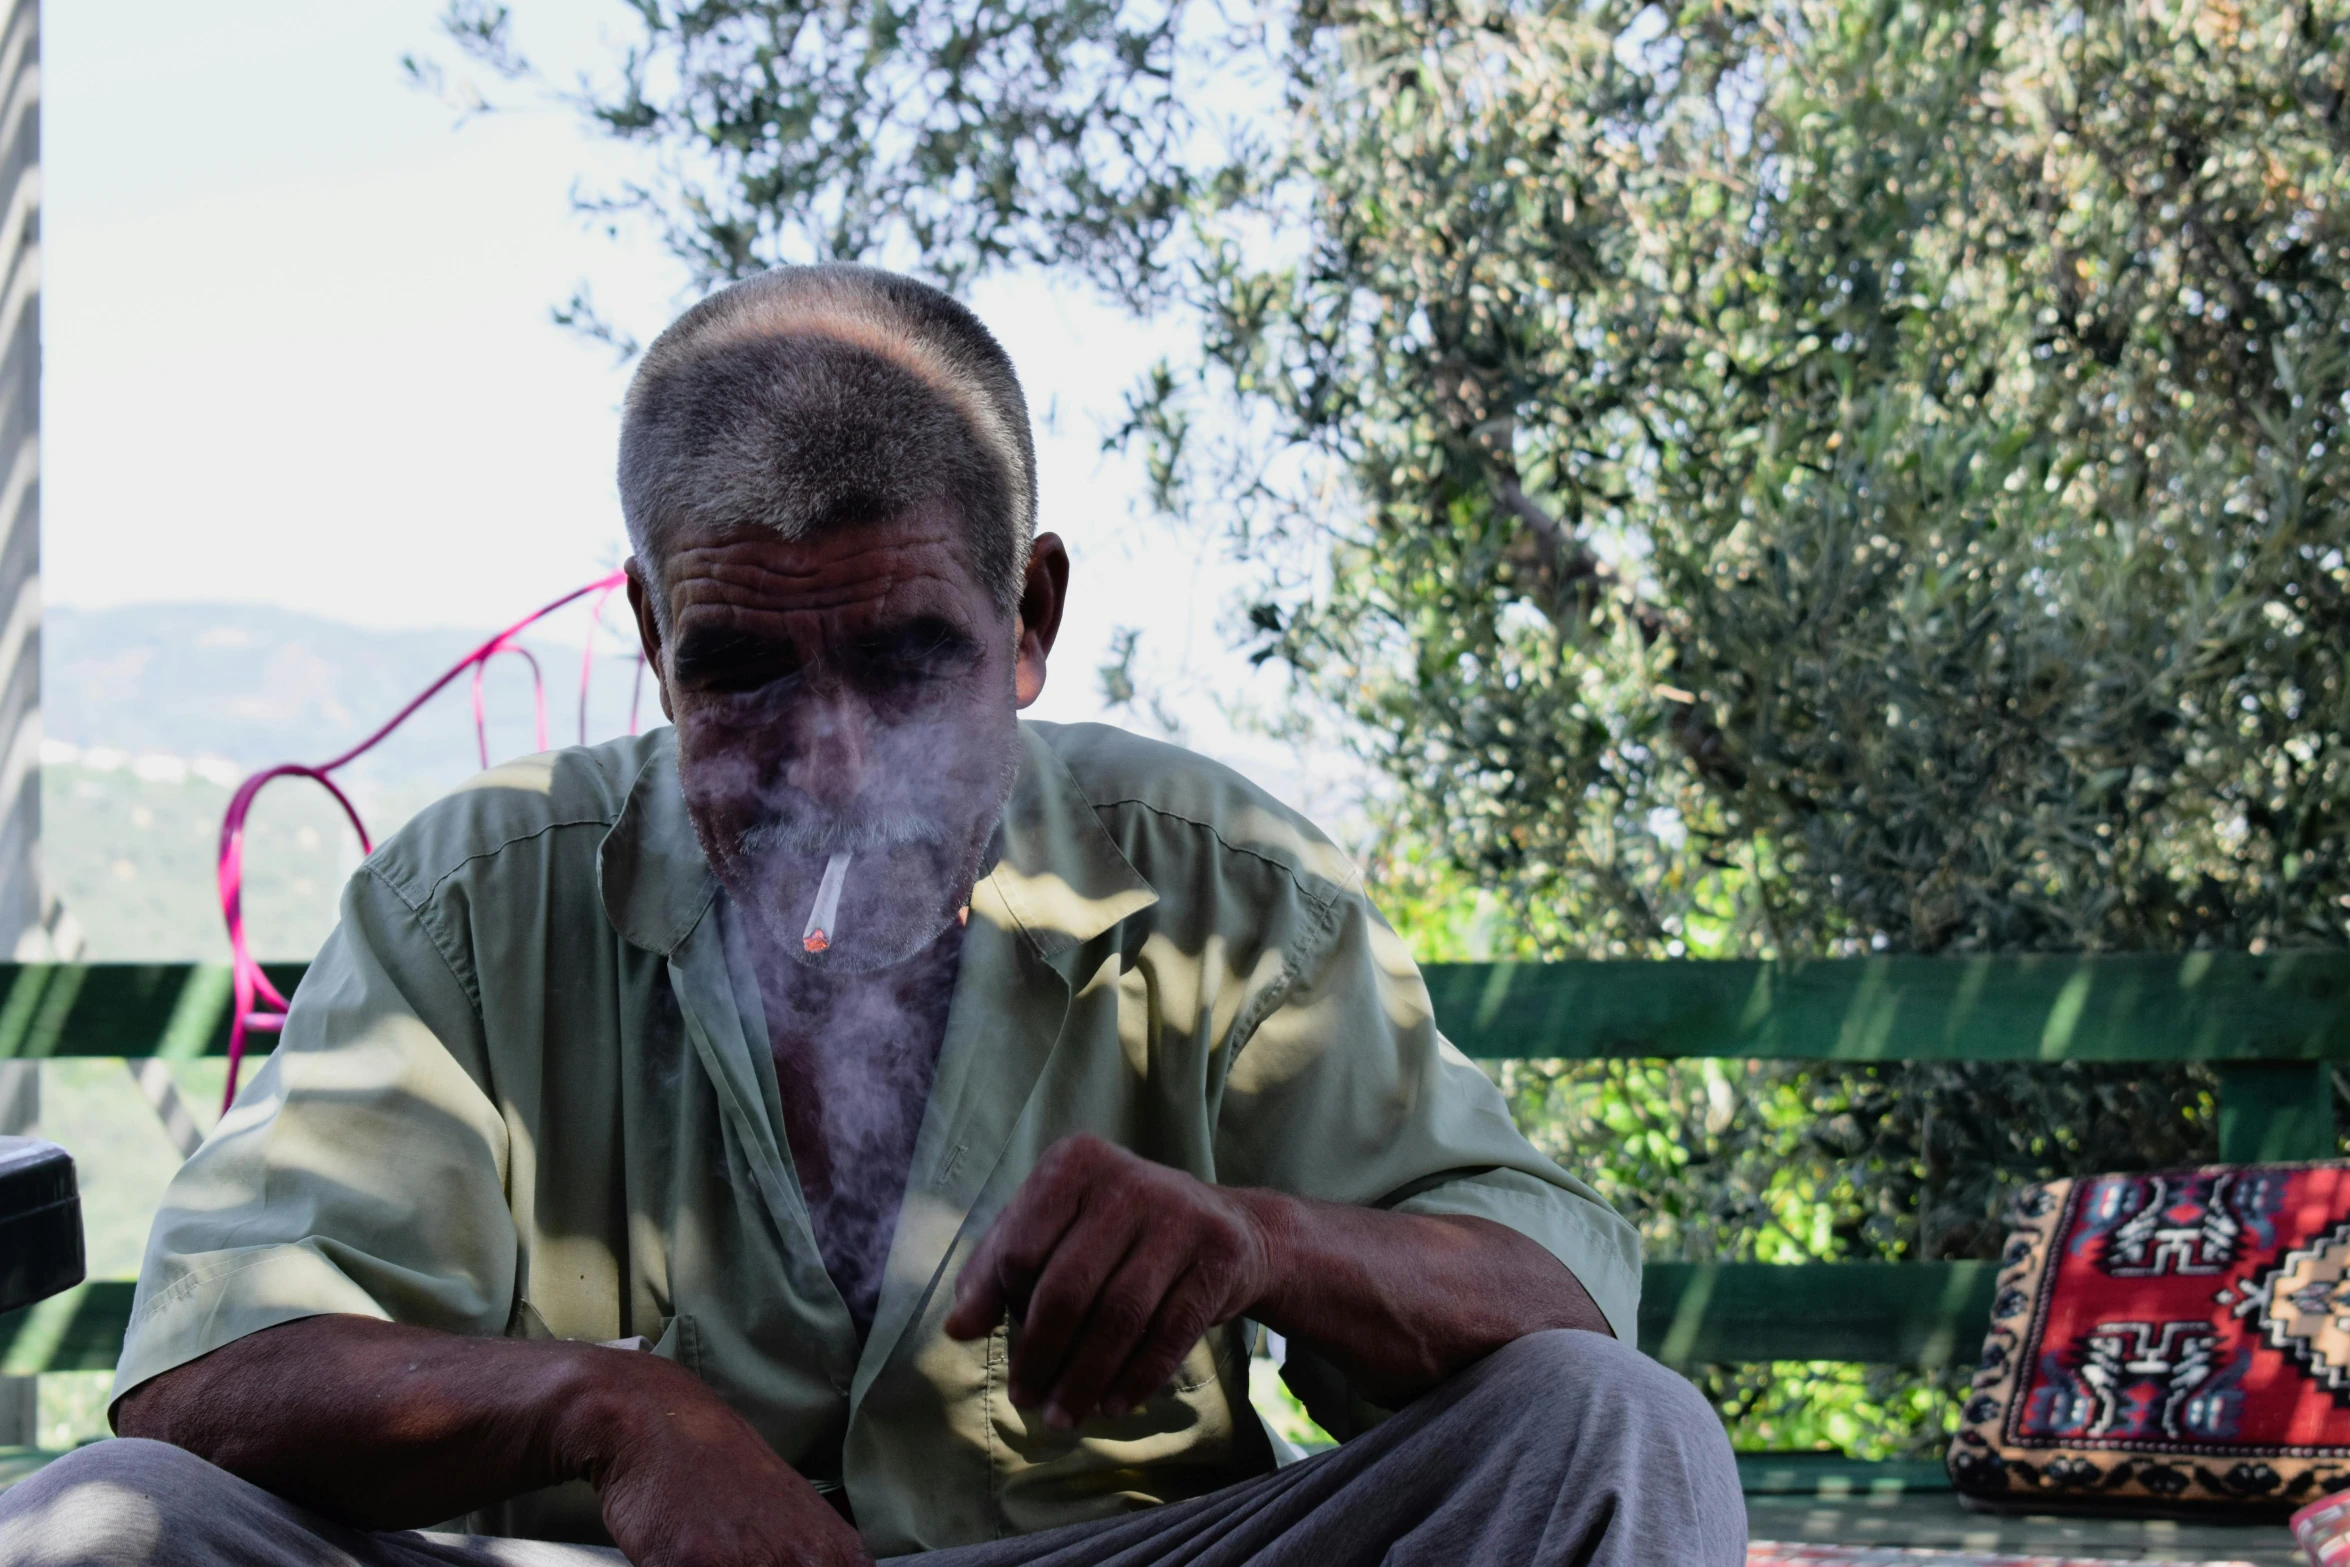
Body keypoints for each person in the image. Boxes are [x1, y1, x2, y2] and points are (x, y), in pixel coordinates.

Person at [0, 266, 1743, 1567]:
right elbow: (201, 1382)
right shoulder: (478, 903)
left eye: (909, 657)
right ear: (652, 629)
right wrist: (617, 1413)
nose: (827, 762)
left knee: (1610, 1430)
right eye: (741, 667)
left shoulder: (1219, 885)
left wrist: (1265, 1238)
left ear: (1030, 611)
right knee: (101, 1522)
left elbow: (1549, 1305)